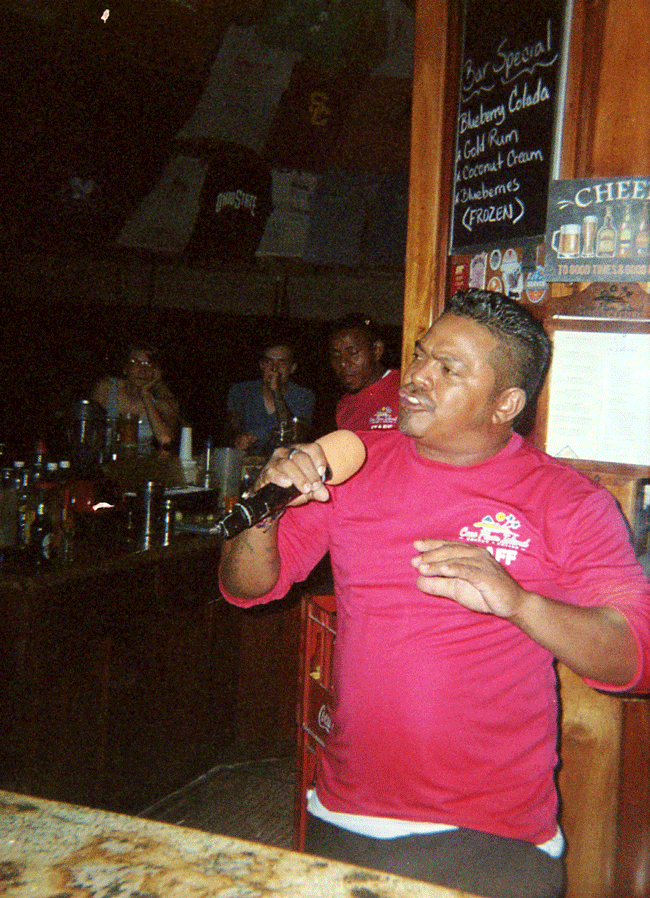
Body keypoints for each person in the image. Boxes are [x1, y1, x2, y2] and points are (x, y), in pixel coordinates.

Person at [219, 289, 650, 898]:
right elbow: (245, 587)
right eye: (421, 354)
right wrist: (265, 506)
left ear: (506, 403)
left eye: (449, 368)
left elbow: (635, 657)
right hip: (343, 812)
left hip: (490, 836)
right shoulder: (354, 464)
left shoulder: (568, 501)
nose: (416, 377)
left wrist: (519, 603)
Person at [226, 341, 315, 456]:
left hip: (285, 460)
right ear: (261, 365)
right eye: (268, 362)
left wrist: (275, 391)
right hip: (248, 460)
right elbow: (230, 429)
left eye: (281, 363)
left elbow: (294, 435)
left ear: (292, 368)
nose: (274, 368)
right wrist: (238, 439)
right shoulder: (241, 391)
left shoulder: (304, 396)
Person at [91, 344, 180, 453]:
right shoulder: (107, 389)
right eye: (136, 363)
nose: (143, 370)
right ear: (126, 368)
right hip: (106, 458)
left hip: (142, 461)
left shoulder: (162, 401)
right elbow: (89, 431)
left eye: (149, 364)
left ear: (157, 372)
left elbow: (166, 440)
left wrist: (145, 395)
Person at [329, 313, 401, 431]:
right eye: (336, 356)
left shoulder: (404, 389)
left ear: (377, 350)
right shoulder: (344, 406)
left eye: (352, 353)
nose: (343, 363)